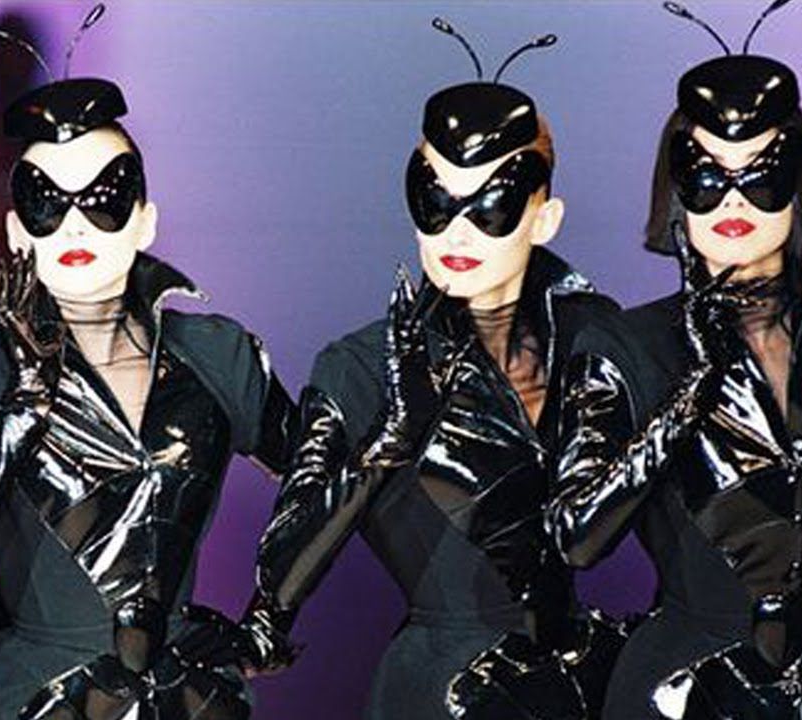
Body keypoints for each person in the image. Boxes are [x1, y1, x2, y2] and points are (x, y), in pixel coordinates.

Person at [0, 8, 294, 719]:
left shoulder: (216, 353)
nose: (75, 222)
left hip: (186, 697)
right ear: (16, 230)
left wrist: (270, 613)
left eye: (105, 198)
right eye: (46, 203)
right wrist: (19, 416)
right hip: (36, 698)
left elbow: (342, 474)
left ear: (145, 219)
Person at [227, 18, 624, 720]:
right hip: (439, 691)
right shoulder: (360, 368)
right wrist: (388, 444)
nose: (457, 230)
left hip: (580, 684)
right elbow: (281, 566)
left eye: (493, 205)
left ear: (546, 218)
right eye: (434, 200)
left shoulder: (598, 342)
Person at [548, 3, 802, 717]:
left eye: (761, 174)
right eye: (707, 177)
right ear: (676, 189)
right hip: (685, 687)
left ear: (800, 182)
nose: (733, 199)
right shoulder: (624, 346)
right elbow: (576, 538)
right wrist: (690, 395)